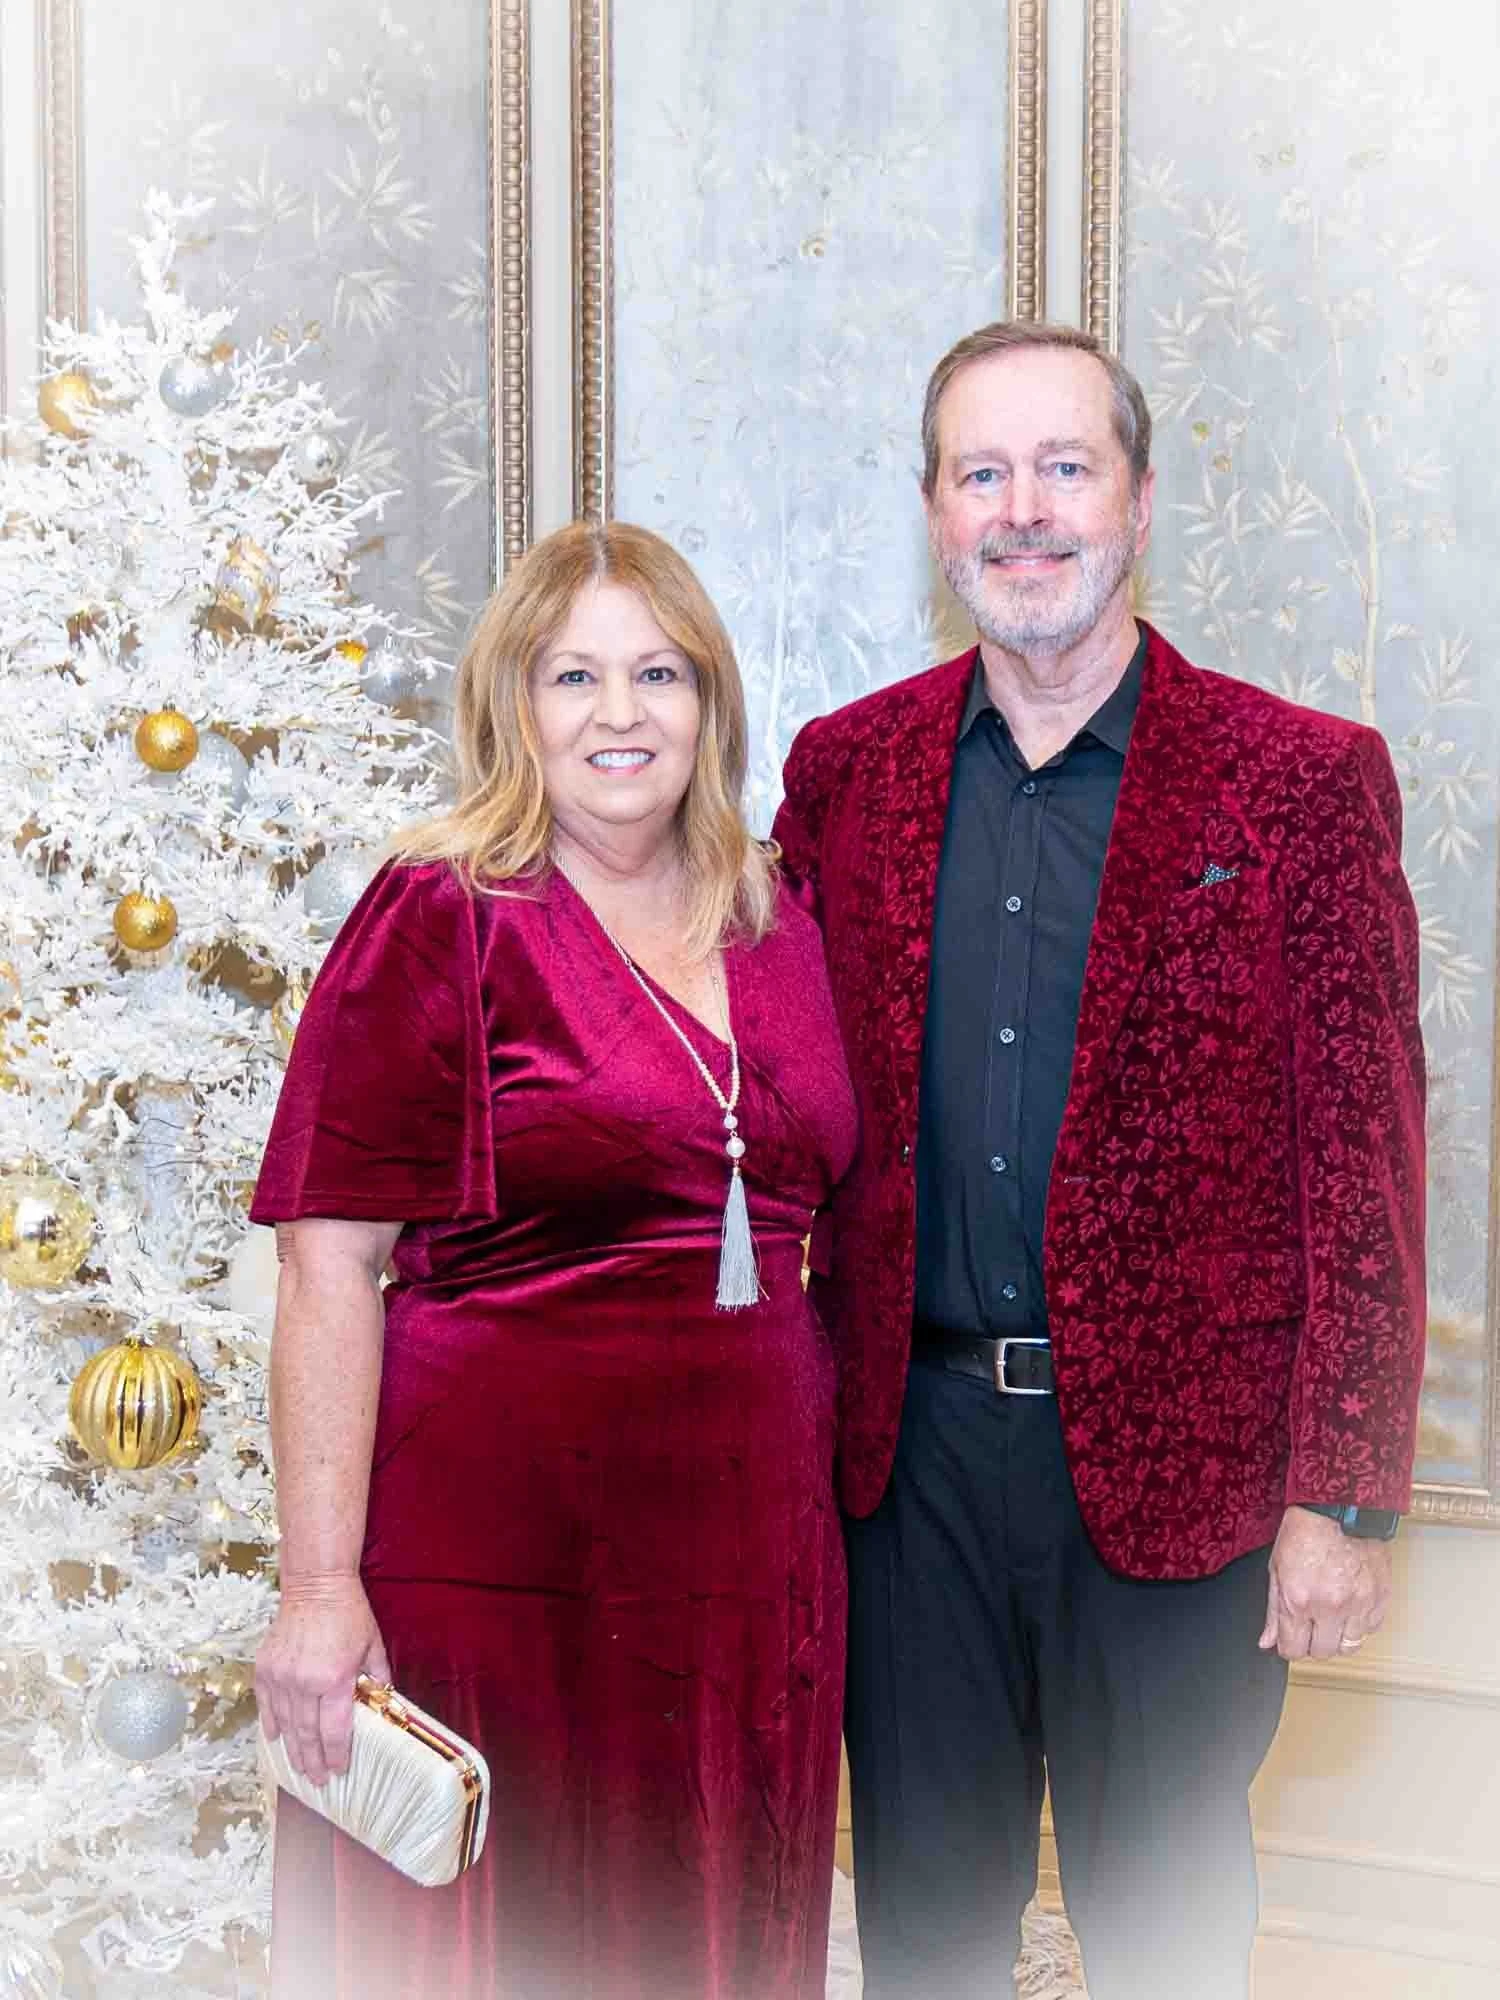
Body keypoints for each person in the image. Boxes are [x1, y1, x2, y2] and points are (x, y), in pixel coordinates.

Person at [773, 320, 1426, 2000]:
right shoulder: (843, 776)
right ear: (934, 513)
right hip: (903, 1471)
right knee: (922, 1933)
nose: (1026, 509)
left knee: (1168, 1940)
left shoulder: (1300, 785)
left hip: (1186, 1483)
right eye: (983, 472)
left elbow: (1368, 1164)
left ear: (1137, 500)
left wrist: (1338, 1496)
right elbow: (760, 1093)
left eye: (1066, 466)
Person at [251, 521, 857, 2000]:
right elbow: (333, 1267)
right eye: (571, 675)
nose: (619, 713)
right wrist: (319, 1586)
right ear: (511, 707)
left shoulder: (777, 912)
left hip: (747, 1564)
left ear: (710, 700)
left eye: (658, 673)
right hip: (501, 1561)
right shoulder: (442, 912)